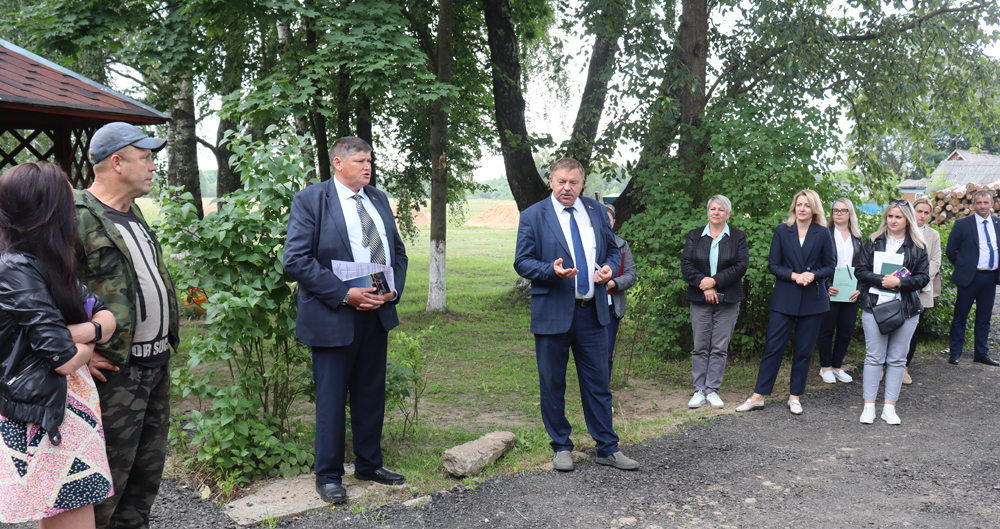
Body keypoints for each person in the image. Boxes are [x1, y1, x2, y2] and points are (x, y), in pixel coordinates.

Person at [283, 137, 409, 504]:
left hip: (376, 313)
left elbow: (397, 253)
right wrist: (344, 293)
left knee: (371, 394)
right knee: (332, 399)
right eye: (359, 161)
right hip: (333, 315)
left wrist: (392, 292)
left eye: (370, 160)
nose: (367, 167)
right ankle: (329, 475)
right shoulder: (311, 200)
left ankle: (369, 464)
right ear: (337, 163)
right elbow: (296, 260)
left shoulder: (379, 199)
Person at [74, 122, 179, 529]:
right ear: (116, 163)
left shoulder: (132, 213)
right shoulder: (76, 216)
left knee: (143, 481)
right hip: (114, 375)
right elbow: (43, 293)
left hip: (154, 367)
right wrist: (76, 355)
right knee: (104, 487)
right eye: (146, 157)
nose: (154, 165)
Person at [0, 162, 117, 528]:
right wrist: (85, 340)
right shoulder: (14, 267)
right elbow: (63, 360)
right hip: (44, 414)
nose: (76, 212)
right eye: (69, 203)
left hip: (69, 412)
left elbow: (109, 319)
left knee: (70, 519)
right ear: (48, 212)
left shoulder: (48, 263)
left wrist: (80, 332)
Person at [514, 157, 637, 472]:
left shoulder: (595, 212)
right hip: (552, 311)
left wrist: (609, 267)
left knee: (598, 383)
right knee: (552, 383)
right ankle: (561, 446)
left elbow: (611, 249)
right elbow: (522, 261)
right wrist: (551, 271)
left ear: (583, 184)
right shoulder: (533, 215)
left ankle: (607, 448)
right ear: (551, 181)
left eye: (574, 182)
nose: (567, 188)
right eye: (561, 182)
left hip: (592, 312)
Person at [736, 189, 834, 415]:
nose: (802, 209)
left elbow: (829, 266)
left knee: (804, 350)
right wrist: (795, 276)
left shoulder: (822, 233)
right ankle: (758, 396)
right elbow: (773, 264)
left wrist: (813, 276)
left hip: (813, 299)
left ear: (814, 209)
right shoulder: (782, 230)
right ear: (794, 207)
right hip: (785, 297)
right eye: (799, 204)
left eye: (807, 205)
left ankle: (795, 396)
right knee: (773, 347)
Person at [855, 200, 929, 424]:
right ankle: (869, 407)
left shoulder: (918, 245)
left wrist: (898, 283)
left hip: (906, 308)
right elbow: (860, 270)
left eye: (898, 217)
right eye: (890, 216)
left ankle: (889, 407)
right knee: (874, 356)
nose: (893, 221)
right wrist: (881, 281)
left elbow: (923, 278)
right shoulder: (874, 241)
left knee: (897, 359)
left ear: (907, 219)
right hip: (874, 305)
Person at [680, 195, 749, 409]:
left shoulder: (738, 237)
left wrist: (715, 281)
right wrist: (705, 283)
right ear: (707, 211)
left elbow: (741, 266)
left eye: (721, 209)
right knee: (700, 346)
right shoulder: (694, 236)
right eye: (712, 208)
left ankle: (712, 390)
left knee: (719, 347)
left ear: (728, 214)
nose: (716, 212)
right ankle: (699, 390)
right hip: (700, 298)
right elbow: (686, 265)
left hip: (728, 300)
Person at [945, 189, 1000, 366]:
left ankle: (981, 353)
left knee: (984, 318)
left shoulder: (998, 223)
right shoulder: (962, 224)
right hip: (970, 277)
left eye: (986, 203)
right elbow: (951, 251)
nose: (983, 206)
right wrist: (964, 267)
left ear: (992, 204)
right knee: (960, 315)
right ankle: (955, 353)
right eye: (979, 203)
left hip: (990, 278)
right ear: (973, 204)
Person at [816, 198, 863, 384]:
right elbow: (819, 263)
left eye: (843, 210)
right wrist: (827, 285)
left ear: (850, 213)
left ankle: (837, 367)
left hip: (851, 292)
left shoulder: (858, 237)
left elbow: (862, 267)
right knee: (827, 329)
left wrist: (860, 289)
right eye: (835, 210)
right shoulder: (824, 233)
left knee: (845, 331)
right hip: (831, 290)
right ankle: (825, 367)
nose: (839, 213)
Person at [905, 197, 942, 383]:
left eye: (926, 212)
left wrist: (920, 278)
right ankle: (882, 366)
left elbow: (935, 261)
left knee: (914, 328)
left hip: (922, 287)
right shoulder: (903, 228)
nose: (922, 215)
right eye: (919, 211)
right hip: (900, 285)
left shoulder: (933, 235)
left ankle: (904, 368)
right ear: (912, 211)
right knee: (890, 326)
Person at [603, 203, 636, 377]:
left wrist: (613, 283)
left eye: (607, 219)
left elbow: (631, 274)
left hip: (610, 307)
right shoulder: (585, 245)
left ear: (613, 222)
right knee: (590, 354)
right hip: (587, 306)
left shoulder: (622, 245)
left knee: (607, 352)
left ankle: (604, 394)